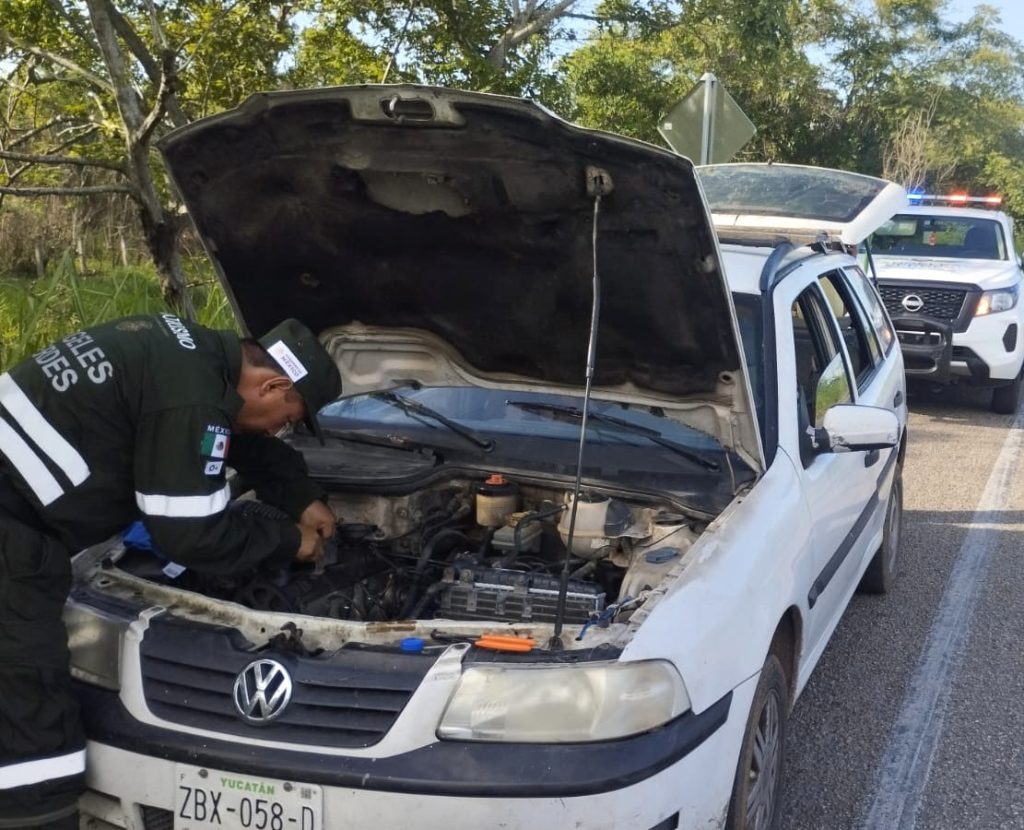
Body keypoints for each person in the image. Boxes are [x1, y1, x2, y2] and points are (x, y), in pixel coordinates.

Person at [0, 313, 342, 828]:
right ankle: (35, 815)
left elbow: (239, 437)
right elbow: (189, 536)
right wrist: (291, 542)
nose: (278, 430)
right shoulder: (191, 398)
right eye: (286, 418)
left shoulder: (188, 353)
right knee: (29, 706)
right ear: (272, 385)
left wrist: (300, 495)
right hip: (10, 535)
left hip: (17, 511)